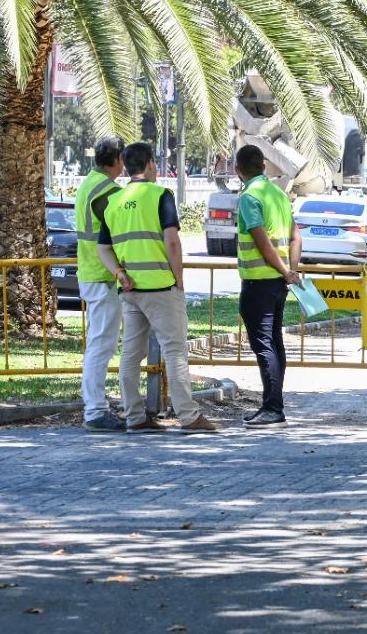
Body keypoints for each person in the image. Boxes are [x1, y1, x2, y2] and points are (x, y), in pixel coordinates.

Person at [95, 142, 218, 433]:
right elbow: (172, 241)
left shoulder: (114, 201)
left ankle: (135, 417)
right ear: (151, 163)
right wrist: (179, 278)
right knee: (175, 351)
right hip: (161, 287)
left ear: (126, 166)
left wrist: (119, 273)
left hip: (130, 291)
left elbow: (103, 249)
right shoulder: (161, 195)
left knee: (130, 354)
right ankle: (189, 416)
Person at [233, 144, 301, 428]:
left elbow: (261, 241)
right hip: (278, 283)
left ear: (237, 171)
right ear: (264, 166)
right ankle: (274, 404)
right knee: (274, 342)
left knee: (264, 345)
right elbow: (296, 237)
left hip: (258, 282)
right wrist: (291, 271)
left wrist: (285, 270)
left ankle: (273, 408)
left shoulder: (249, 197)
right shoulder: (279, 194)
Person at [75, 137, 126, 432]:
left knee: (99, 344)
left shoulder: (89, 183)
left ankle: (95, 407)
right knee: (101, 346)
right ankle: (95, 411)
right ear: (118, 160)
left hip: (93, 272)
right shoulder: (108, 191)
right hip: (103, 275)